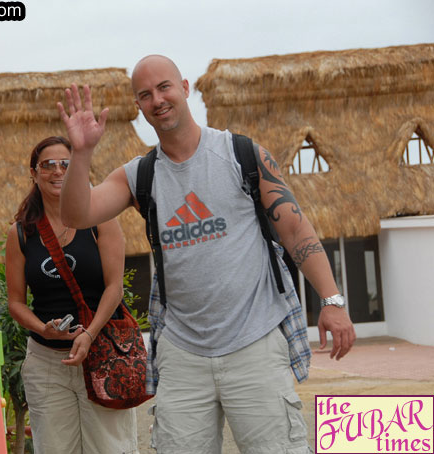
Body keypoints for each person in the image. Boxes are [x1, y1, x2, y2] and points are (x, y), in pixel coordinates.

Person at [57, 55, 356, 453]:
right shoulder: (139, 175)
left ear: (183, 87)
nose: (157, 100)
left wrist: (332, 301)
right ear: (138, 107)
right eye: (145, 95)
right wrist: (81, 153)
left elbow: (295, 229)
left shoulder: (241, 154)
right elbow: (77, 214)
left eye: (164, 87)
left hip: (255, 342)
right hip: (183, 355)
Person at [5, 136, 138, 454]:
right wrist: (42, 328)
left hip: (102, 352)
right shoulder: (21, 233)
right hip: (47, 361)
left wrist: (90, 334)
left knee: (110, 447)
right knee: (54, 448)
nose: (57, 171)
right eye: (47, 165)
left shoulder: (102, 219)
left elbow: (114, 287)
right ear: (34, 174)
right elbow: (16, 302)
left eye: (65, 164)